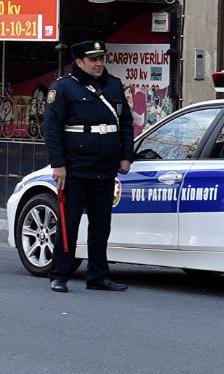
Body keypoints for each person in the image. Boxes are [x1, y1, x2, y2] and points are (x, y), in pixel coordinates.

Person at [43, 40, 134, 293]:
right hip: (75, 168)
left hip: (105, 167)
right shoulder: (63, 88)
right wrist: (58, 164)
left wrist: (126, 156)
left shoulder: (113, 85)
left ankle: (98, 276)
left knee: (101, 225)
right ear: (79, 61)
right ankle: (59, 274)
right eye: (92, 59)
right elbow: (51, 129)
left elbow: (125, 123)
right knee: (68, 224)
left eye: (100, 58)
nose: (98, 63)